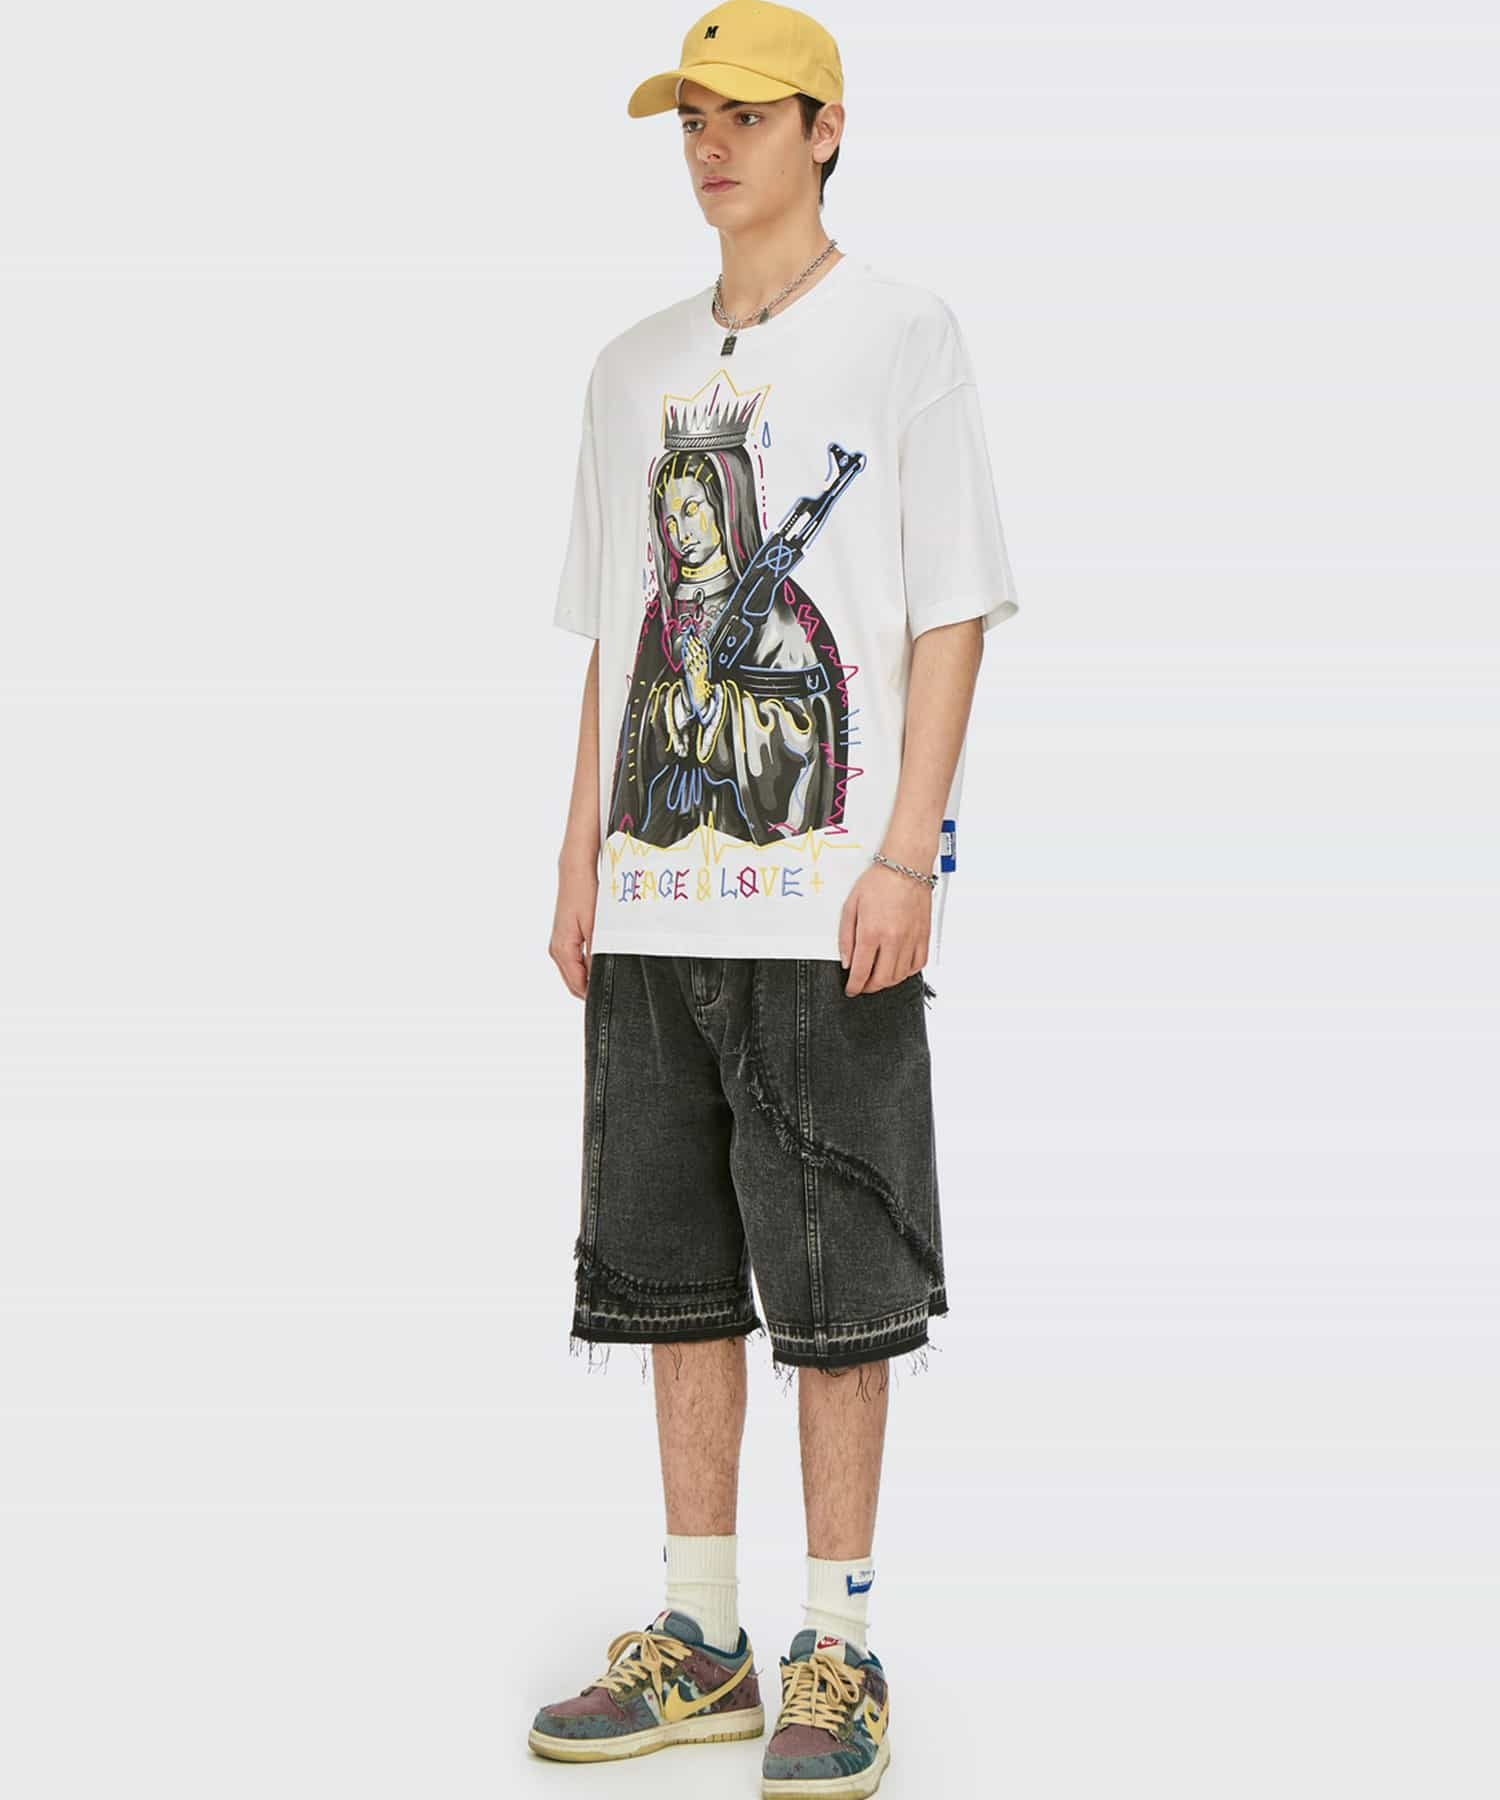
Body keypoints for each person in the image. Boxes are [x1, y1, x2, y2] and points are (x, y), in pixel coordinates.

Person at [532, 4, 1020, 1793]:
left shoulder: (904, 337)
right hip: (655, 911)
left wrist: (907, 852)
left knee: (838, 1289)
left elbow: (953, 608)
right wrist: (578, 852)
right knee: (670, 1281)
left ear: (825, 128)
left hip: (827, 913)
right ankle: (703, 1640)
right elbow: (618, 643)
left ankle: (840, 1645)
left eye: (747, 114)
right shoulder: (627, 369)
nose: (711, 146)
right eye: (692, 118)